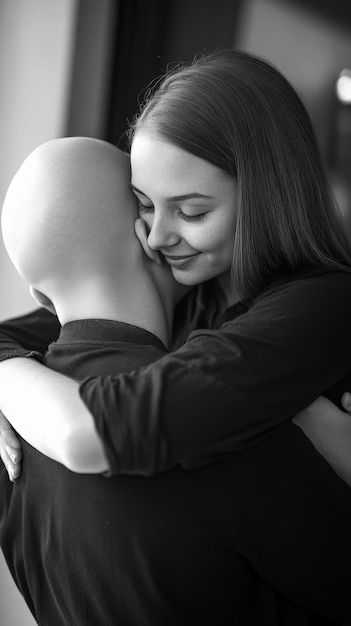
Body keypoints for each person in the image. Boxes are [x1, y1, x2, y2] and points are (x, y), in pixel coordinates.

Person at [0, 50, 351, 618]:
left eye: (190, 211)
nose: (156, 238)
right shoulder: (193, 292)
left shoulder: (323, 305)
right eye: (143, 205)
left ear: (266, 194)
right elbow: (46, 319)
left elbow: (105, 429)